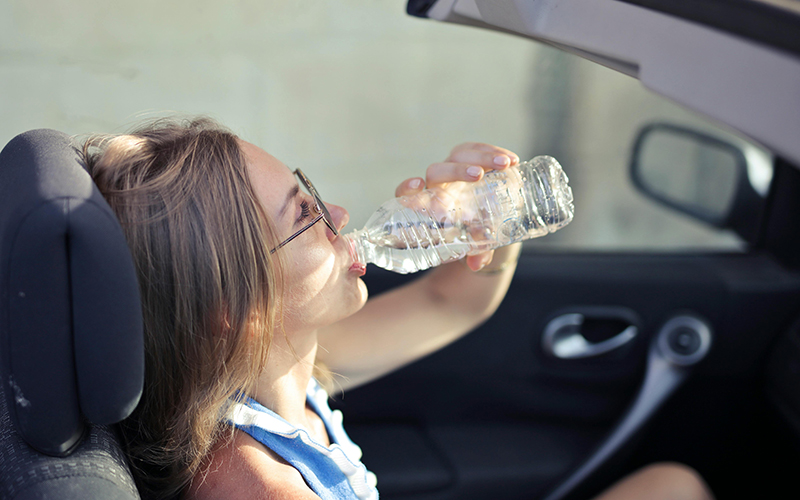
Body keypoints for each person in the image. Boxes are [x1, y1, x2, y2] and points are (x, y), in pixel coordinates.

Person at [83, 117, 714, 500]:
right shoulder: (253, 485)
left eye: (314, 194)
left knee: (674, 486)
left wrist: (488, 227)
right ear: (238, 306)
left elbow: (451, 303)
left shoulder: (277, 373)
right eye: (305, 216)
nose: (341, 217)